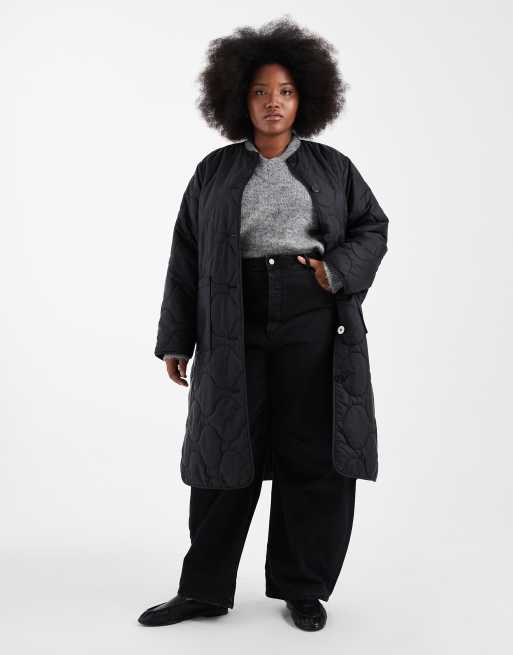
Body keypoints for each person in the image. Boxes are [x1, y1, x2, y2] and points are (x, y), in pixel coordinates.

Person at [138, 16, 389, 631]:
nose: (272, 102)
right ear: (238, 99)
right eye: (259, 91)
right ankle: (203, 590)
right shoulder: (215, 171)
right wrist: (175, 339)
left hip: (312, 318)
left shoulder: (332, 167)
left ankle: (303, 589)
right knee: (225, 451)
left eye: (285, 91)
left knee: (313, 453)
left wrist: (333, 272)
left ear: (305, 99)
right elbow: (186, 256)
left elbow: (372, 227)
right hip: (232, 319)